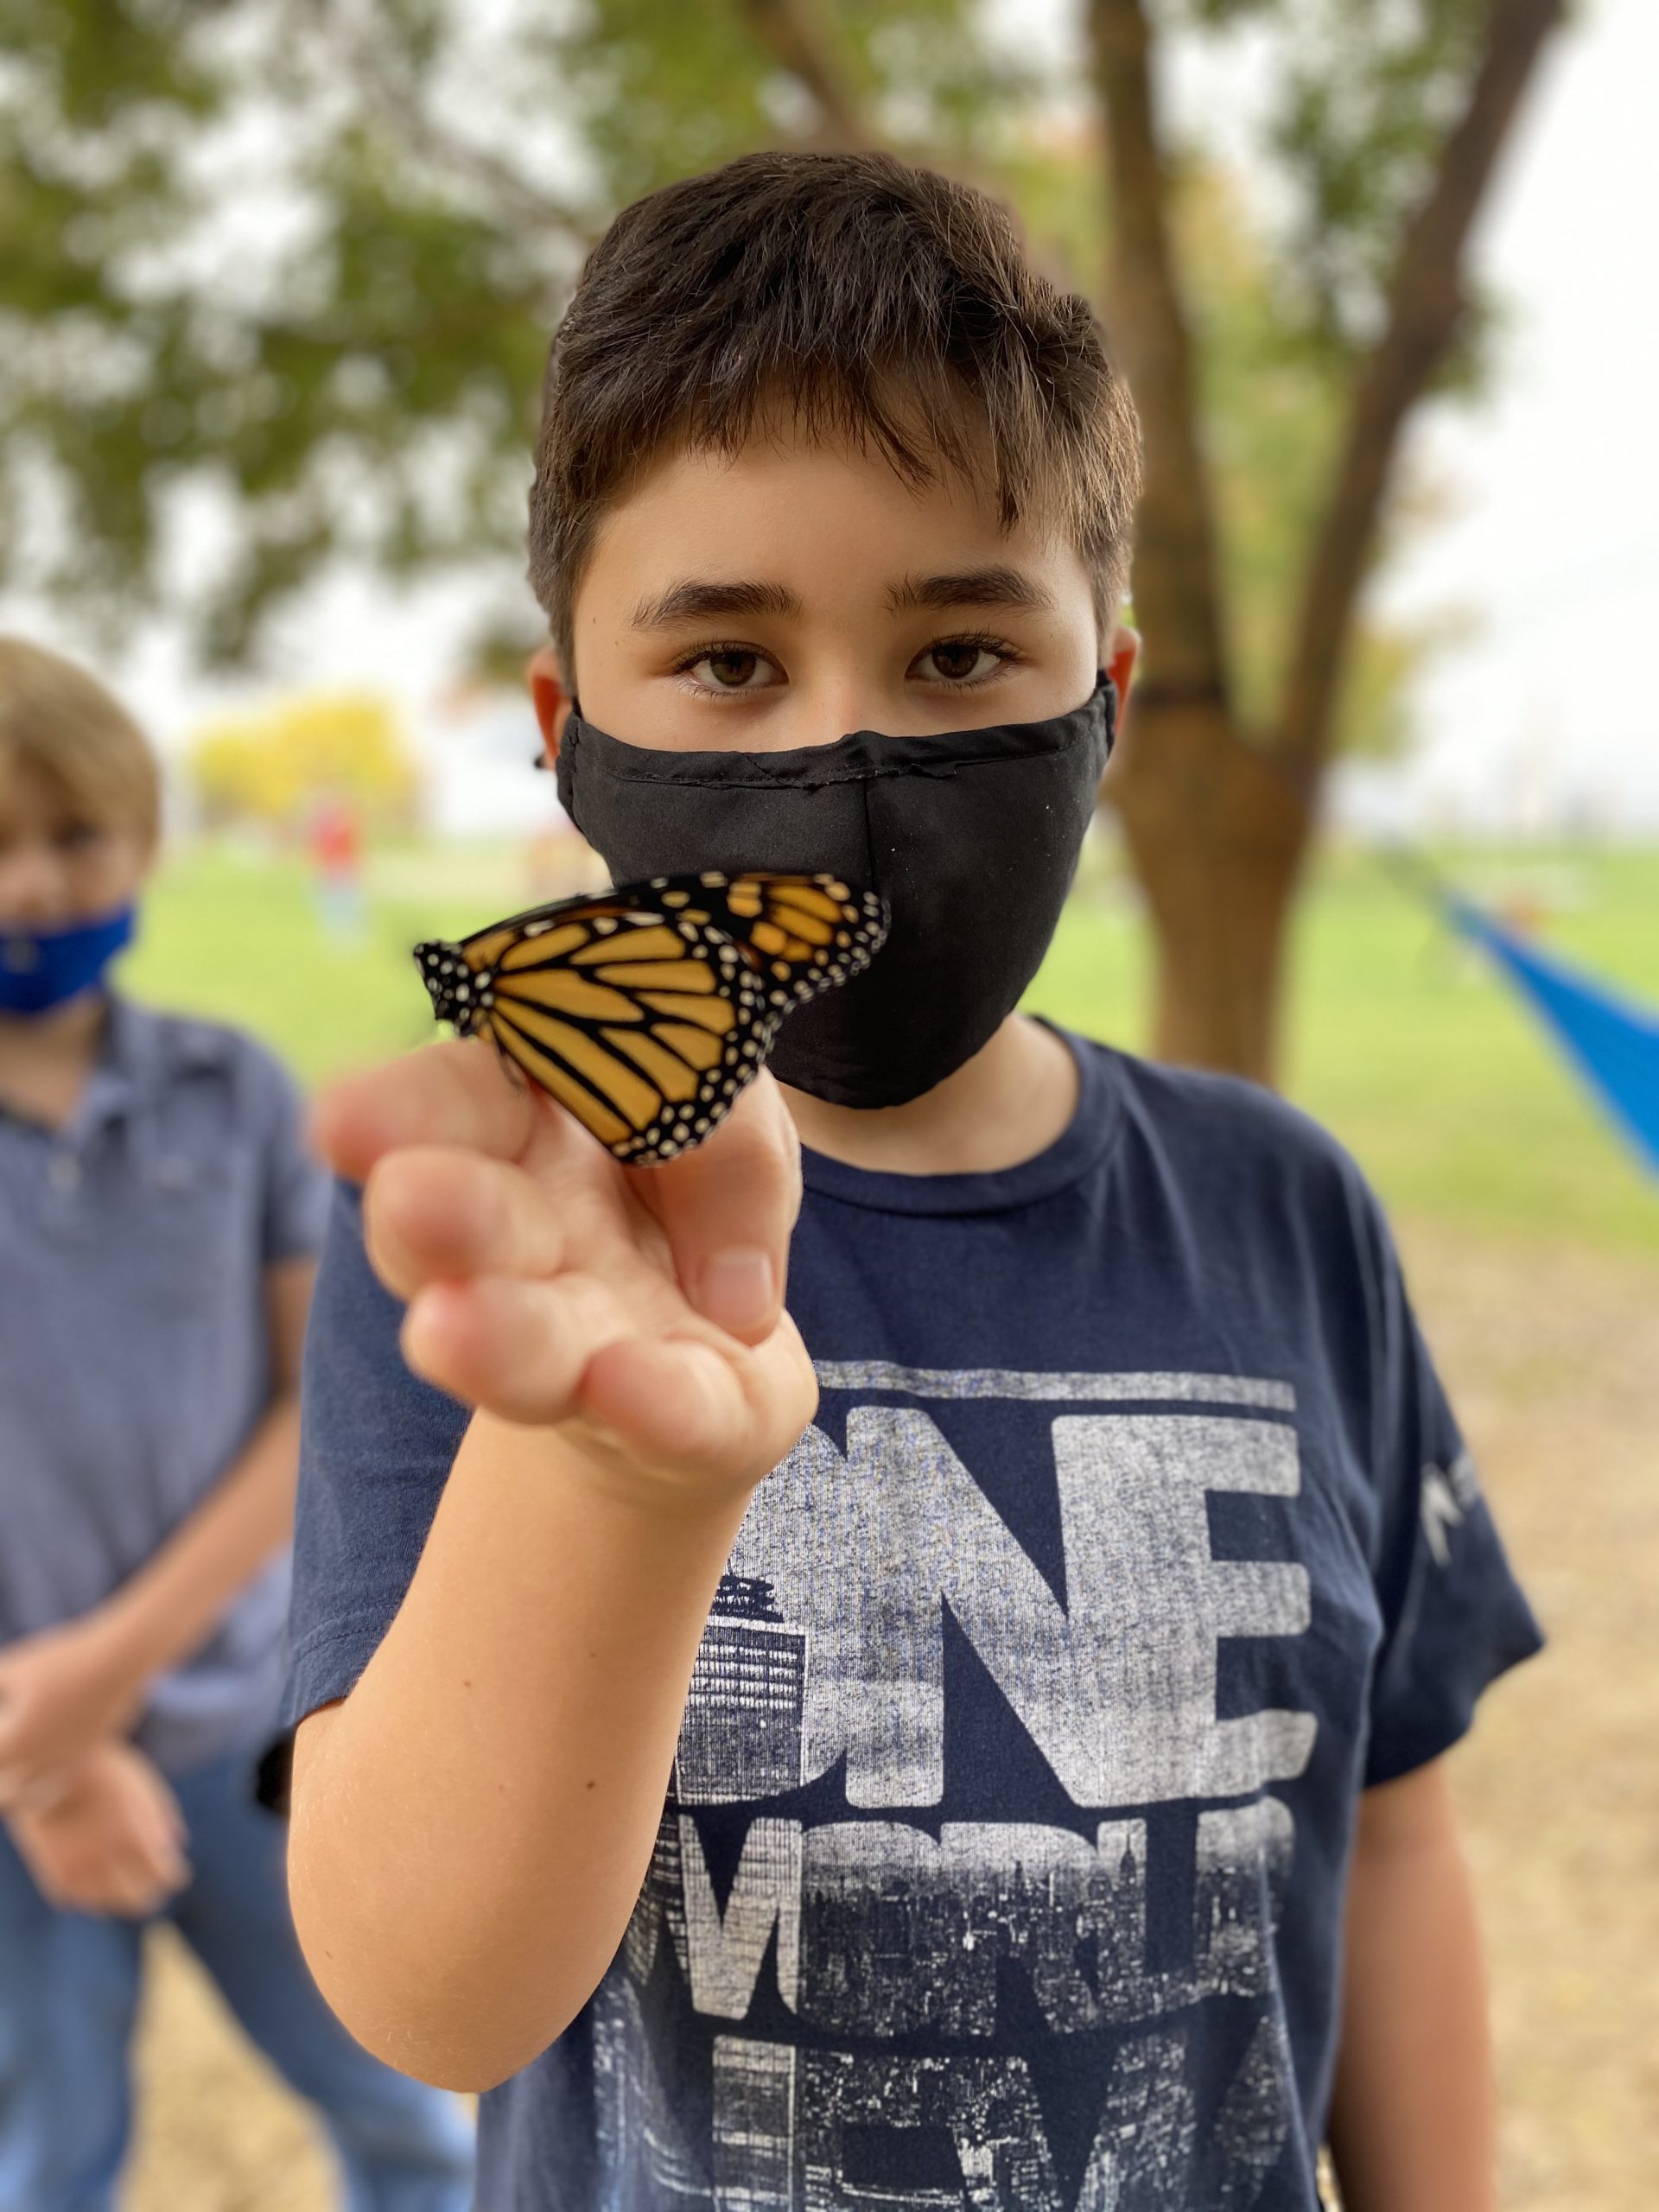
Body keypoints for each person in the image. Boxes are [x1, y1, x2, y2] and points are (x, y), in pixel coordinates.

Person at [282, 154, 1545, 2212]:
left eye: (960, 653)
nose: (845, 755)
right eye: (727, 664)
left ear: (1106, 700)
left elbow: (1388, 1825)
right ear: (565, 728)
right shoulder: (503, 1258)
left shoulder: (1285, 1207)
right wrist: (611, 1474)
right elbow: (433, 1994)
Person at [0, 637, 475, 2212]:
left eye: (72, 836)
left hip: (249, 1729)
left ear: (140, 841)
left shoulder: (238, 1097)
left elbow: (310, 1410)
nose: (31, 887)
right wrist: (44, 1755)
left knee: (408, 2119)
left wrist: (95, 1684)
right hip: (9, 1769)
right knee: (44, 2156)